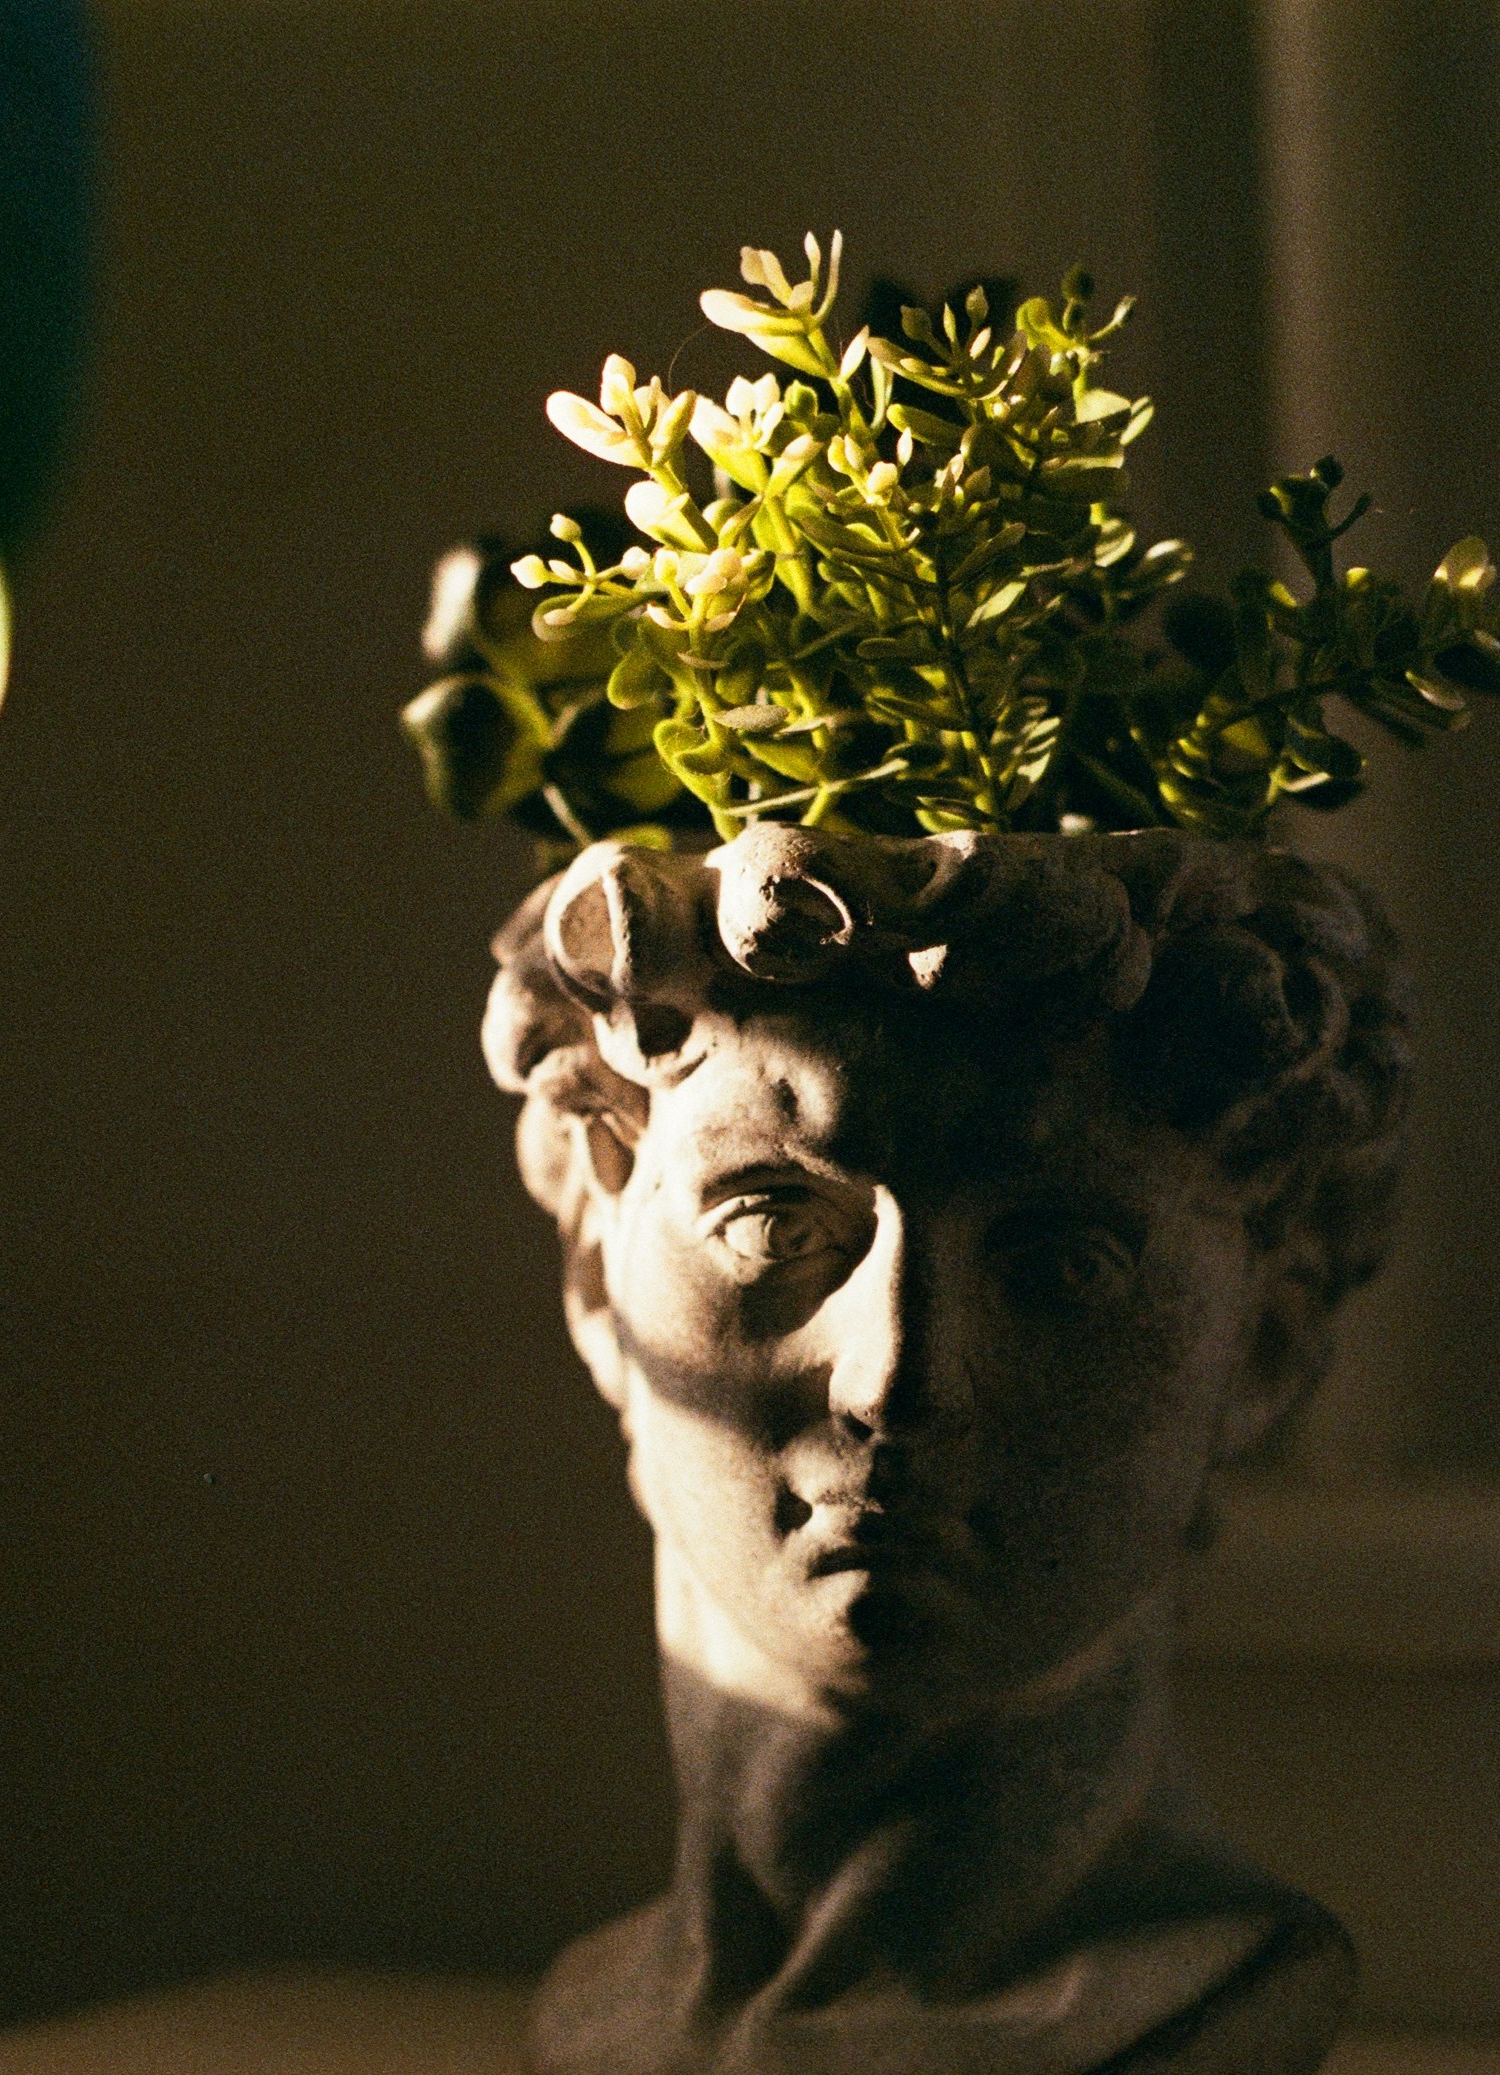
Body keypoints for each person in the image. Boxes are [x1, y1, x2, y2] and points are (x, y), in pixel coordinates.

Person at [486, 823, 1410, 2075]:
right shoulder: (601, 2016)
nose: (896, 1378)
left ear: (1268, 1339)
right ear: (596, 1274)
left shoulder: (1197, 2012)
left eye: (1060, 1266)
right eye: (772, 1222)